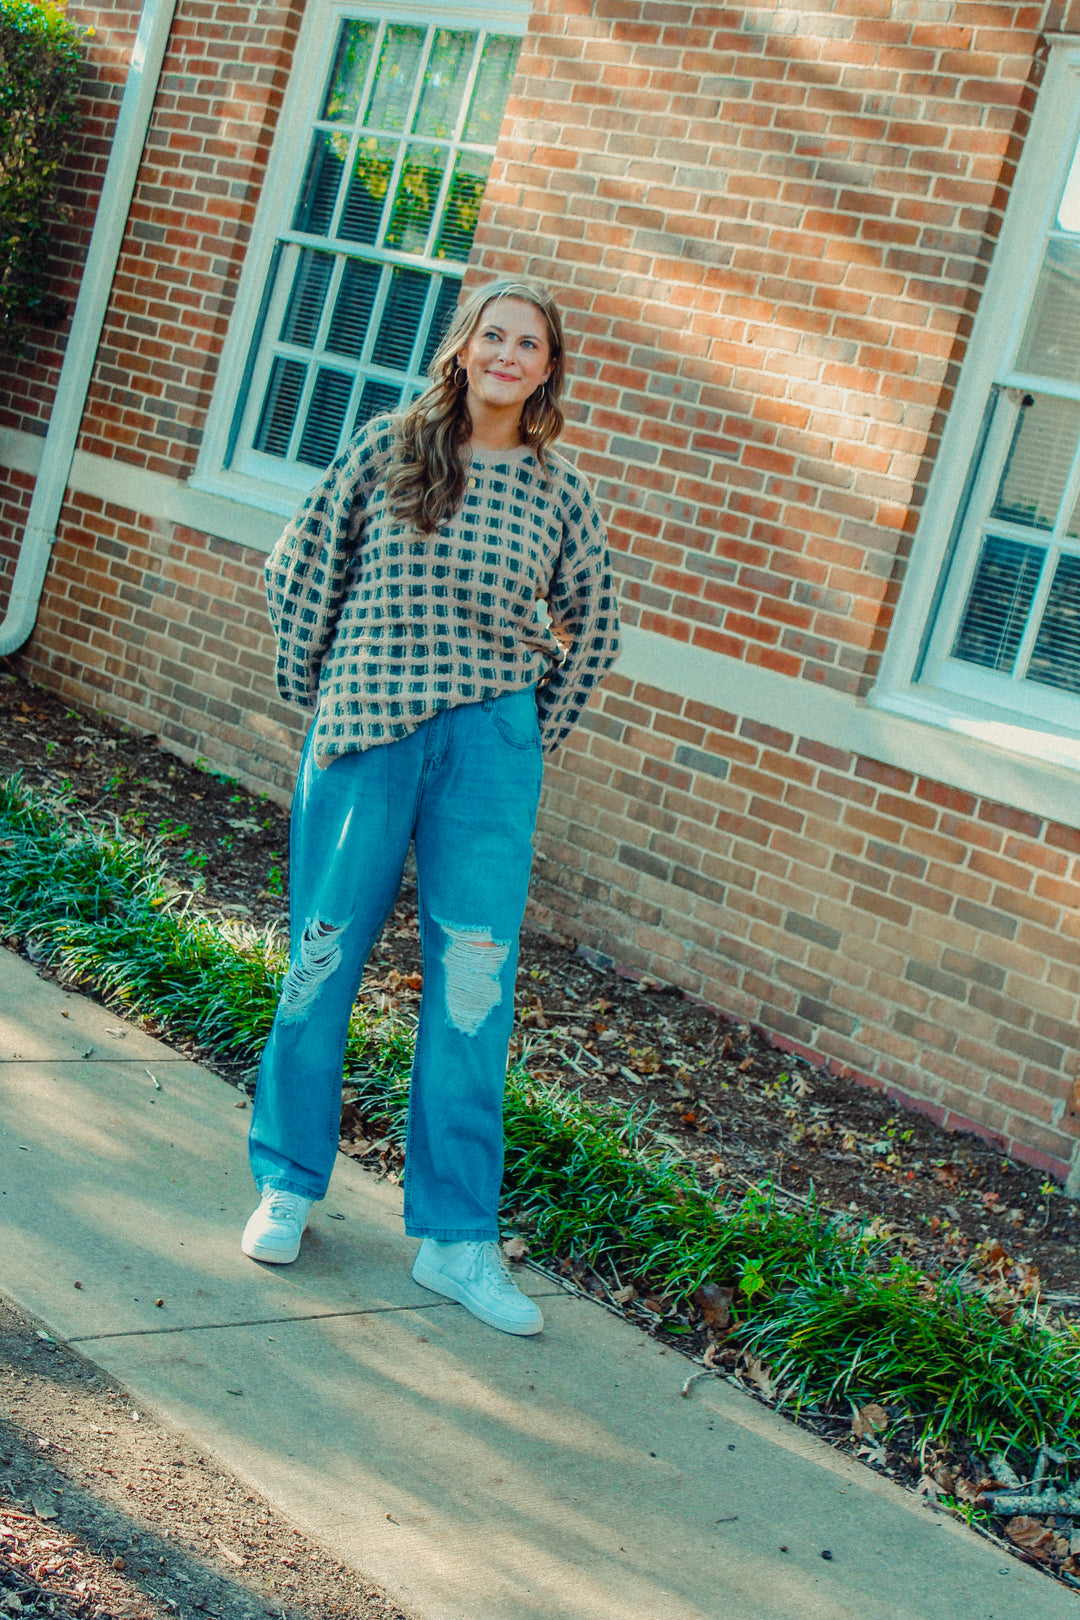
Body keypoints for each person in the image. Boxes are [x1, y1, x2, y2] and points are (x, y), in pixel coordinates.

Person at [240, 278, 620, 1336]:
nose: (507, 353)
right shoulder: (386, 445)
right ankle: (288, 1184)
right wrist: (320, 692)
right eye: (493, 335)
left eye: (529, 343)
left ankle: (456, 1241)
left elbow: (594, 626)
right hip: (366, 736)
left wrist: (524, 736)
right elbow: (299, 571)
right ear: (464, 348)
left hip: (487, 753)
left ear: (548, 367)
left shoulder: (559, 490)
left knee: (472, 988)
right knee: (320, 957)